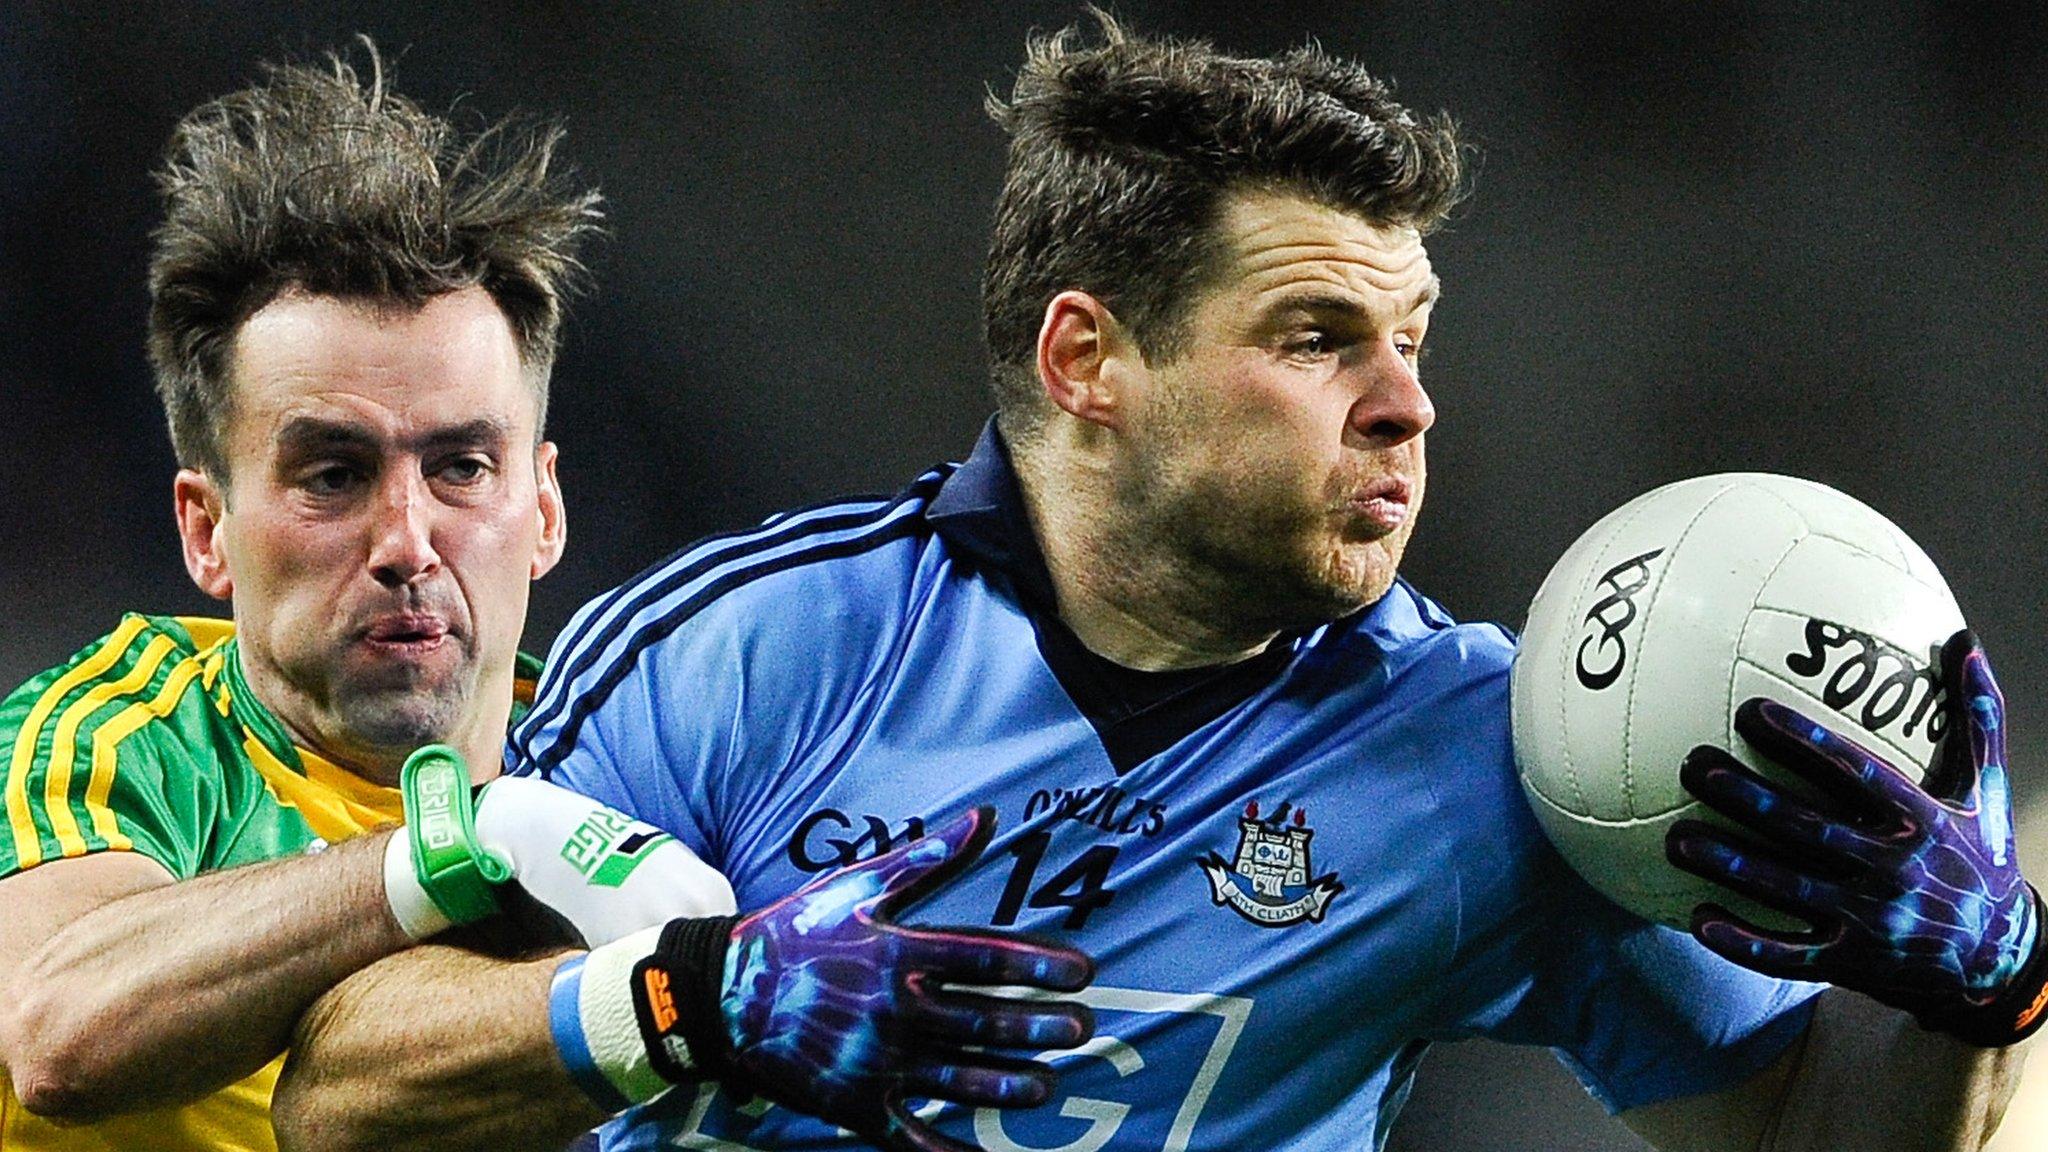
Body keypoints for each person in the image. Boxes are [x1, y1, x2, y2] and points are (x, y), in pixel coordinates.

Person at [273, 14, 2040, 1152]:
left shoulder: (1499, 755)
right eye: (1315, 335)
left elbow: (1816, 1134)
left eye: (1411, 337)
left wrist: (1992, 997)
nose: (1407, 401)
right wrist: (685, 1001)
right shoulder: (746, 652)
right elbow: (342, 1089)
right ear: (1086, 359)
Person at [0, 44, 1094, 1152]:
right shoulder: (123, 735)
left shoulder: (636, 754)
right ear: (206, 529)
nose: (407, 540)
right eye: (332, 474)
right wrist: (448, 849)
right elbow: (58, 1033)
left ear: (546, 507)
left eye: (461, 469)